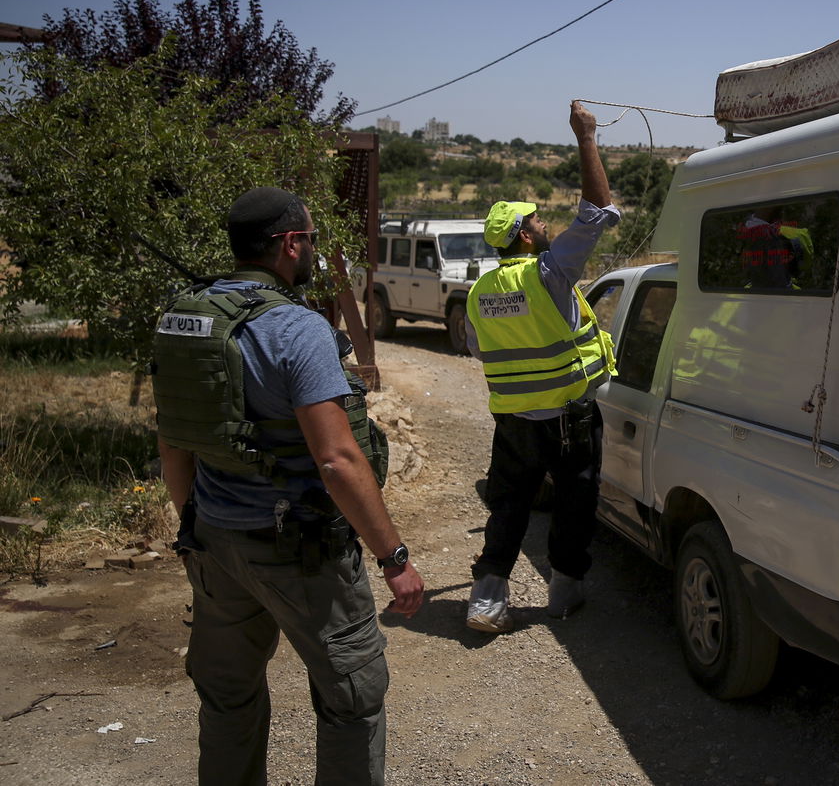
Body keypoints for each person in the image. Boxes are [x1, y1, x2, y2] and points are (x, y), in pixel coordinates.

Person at [153, 187, 424, 786]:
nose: (312, 253)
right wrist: (393, 556)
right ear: (290, 244)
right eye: (310, 241)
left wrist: (197, 524)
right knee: (352, 699)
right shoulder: (296, 328)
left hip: (215, 541)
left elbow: (173, 443)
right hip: (300, 550)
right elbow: (337, 461)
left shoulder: (184, 318)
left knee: (227, 699)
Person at [462, 100, 619, 632]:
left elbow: (480, 351)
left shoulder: (479, 291)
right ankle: (563, 596)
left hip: (513, 423)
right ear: (525, 236)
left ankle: (486, 601)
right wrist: (587, 137)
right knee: (575, 506)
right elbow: (598, 208)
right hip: (568, 421)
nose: (544, 221)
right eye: (536, 219)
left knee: (507, 508)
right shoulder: (549, 275)